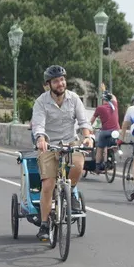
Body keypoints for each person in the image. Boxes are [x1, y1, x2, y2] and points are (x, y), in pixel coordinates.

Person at [31, 65, 94, 241]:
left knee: (79, 164)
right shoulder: (41, 102)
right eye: (56, 81)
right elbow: (38, 124)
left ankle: (70, 190)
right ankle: (44, 224)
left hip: (70, 142)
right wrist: (41, 138)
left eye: (62, 79)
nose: (61, 83)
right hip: (49, 145)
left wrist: (87, 137)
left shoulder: (74, 99)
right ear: (48, 84)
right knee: (48, 186)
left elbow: (83, 122)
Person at [90, 88, 119, 173]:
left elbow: (91, 121)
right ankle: (113, 154)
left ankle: (98, 166)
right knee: (112, 144)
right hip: (116, 131)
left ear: (103, 100)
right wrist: (108, 92)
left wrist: (88, 128)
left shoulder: (100, 108)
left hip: (105, 131)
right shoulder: (114, 105)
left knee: (100, 147)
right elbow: (114, 97)